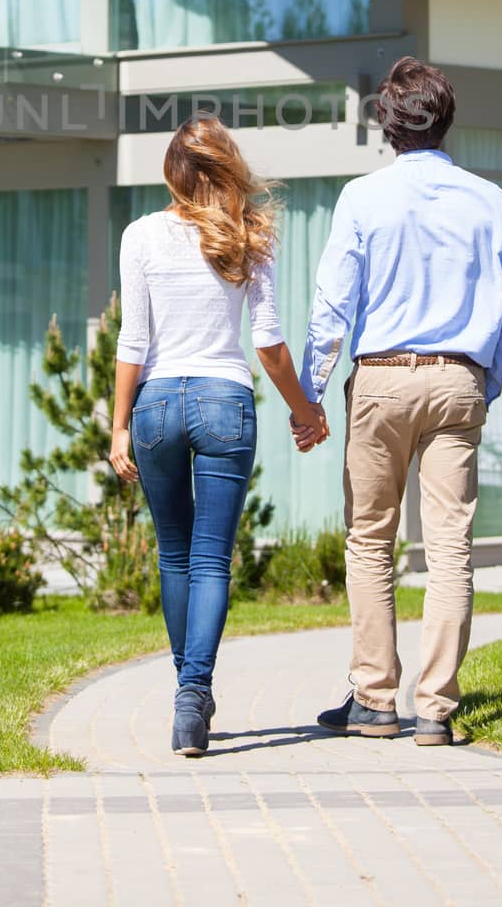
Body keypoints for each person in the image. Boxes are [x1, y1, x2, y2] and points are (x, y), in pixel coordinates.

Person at [300, 57, 502, 747]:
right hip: (458, 379)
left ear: (385, 123)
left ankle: (374, 701)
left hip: (378, 378)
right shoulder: (496, 204)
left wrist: (309, 397)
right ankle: (434, 709)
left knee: (370, 541)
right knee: (449, 548)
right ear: (447, 119)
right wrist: (483, 383)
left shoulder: (361, 198)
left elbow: (330, 308)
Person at [110, 115, 328, 757]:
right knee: (210, 559)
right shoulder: (249, 235)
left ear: (172, 175)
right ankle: (192, 698)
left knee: (173, 554)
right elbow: (268, 343)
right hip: (224, 401)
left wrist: (119, 425)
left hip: (155, 406)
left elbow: (134, 341)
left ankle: (187, 697)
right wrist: (306, 409)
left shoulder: (140, 235)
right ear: (226, 168)